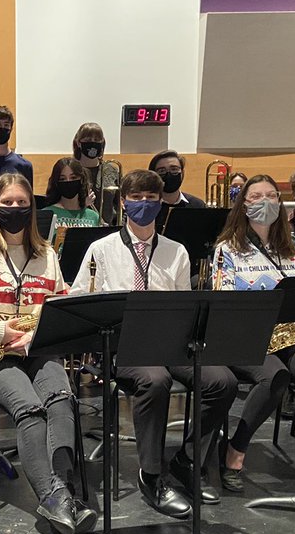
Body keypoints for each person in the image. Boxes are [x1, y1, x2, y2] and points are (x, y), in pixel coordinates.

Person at [70, 169, 237, 516]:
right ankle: (151, 476)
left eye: (150, 198)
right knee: (155, 380)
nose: (143, 204)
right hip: (122, 344)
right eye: (136, 198)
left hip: (170, 341)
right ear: (122, 202)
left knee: (222, 381)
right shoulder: (100, 249)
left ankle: (187, 459)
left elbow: (185, 306)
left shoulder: (176, 252)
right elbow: (78, 300)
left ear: (161, 203)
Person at [0, 174, 95, 534]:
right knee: (29, 408)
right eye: (7, 202)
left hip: (37, 347)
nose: (14, 209)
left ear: (32, 208)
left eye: (21, 202)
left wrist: (36, 333)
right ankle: (54, 497)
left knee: (61, 400)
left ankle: (64, 495)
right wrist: (1, 332)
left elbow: (60, 306)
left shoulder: (46, 254)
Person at [213, 174, 295, 492]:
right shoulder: (227, 248)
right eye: (255, 197)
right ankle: (235, 450)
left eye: (271, 195)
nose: (264, 202)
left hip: (288, 334)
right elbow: (223, 302)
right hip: (246, 336)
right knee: (276, 379)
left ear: (280, 203)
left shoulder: (293, 247)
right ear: (243, 205)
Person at [42, 157, 100, 252]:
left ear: (81, 180)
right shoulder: (47, 214)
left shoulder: (93, 216)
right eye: (62, 179)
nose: (68, 182)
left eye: (73, 178)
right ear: (56, 182)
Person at [72, 123, 120, 225]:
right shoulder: (69, 169)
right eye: (88, 140)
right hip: (77, 226)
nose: (93, 143)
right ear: (78, 142)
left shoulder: (111, 170)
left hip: (108, 231)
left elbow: (122, 203)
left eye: (97, 140)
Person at [150, 150, 205, 226]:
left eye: (174, 169)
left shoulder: (197, 205)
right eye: (162, 171)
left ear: (182, 173)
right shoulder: (147, 206)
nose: (168, 174)